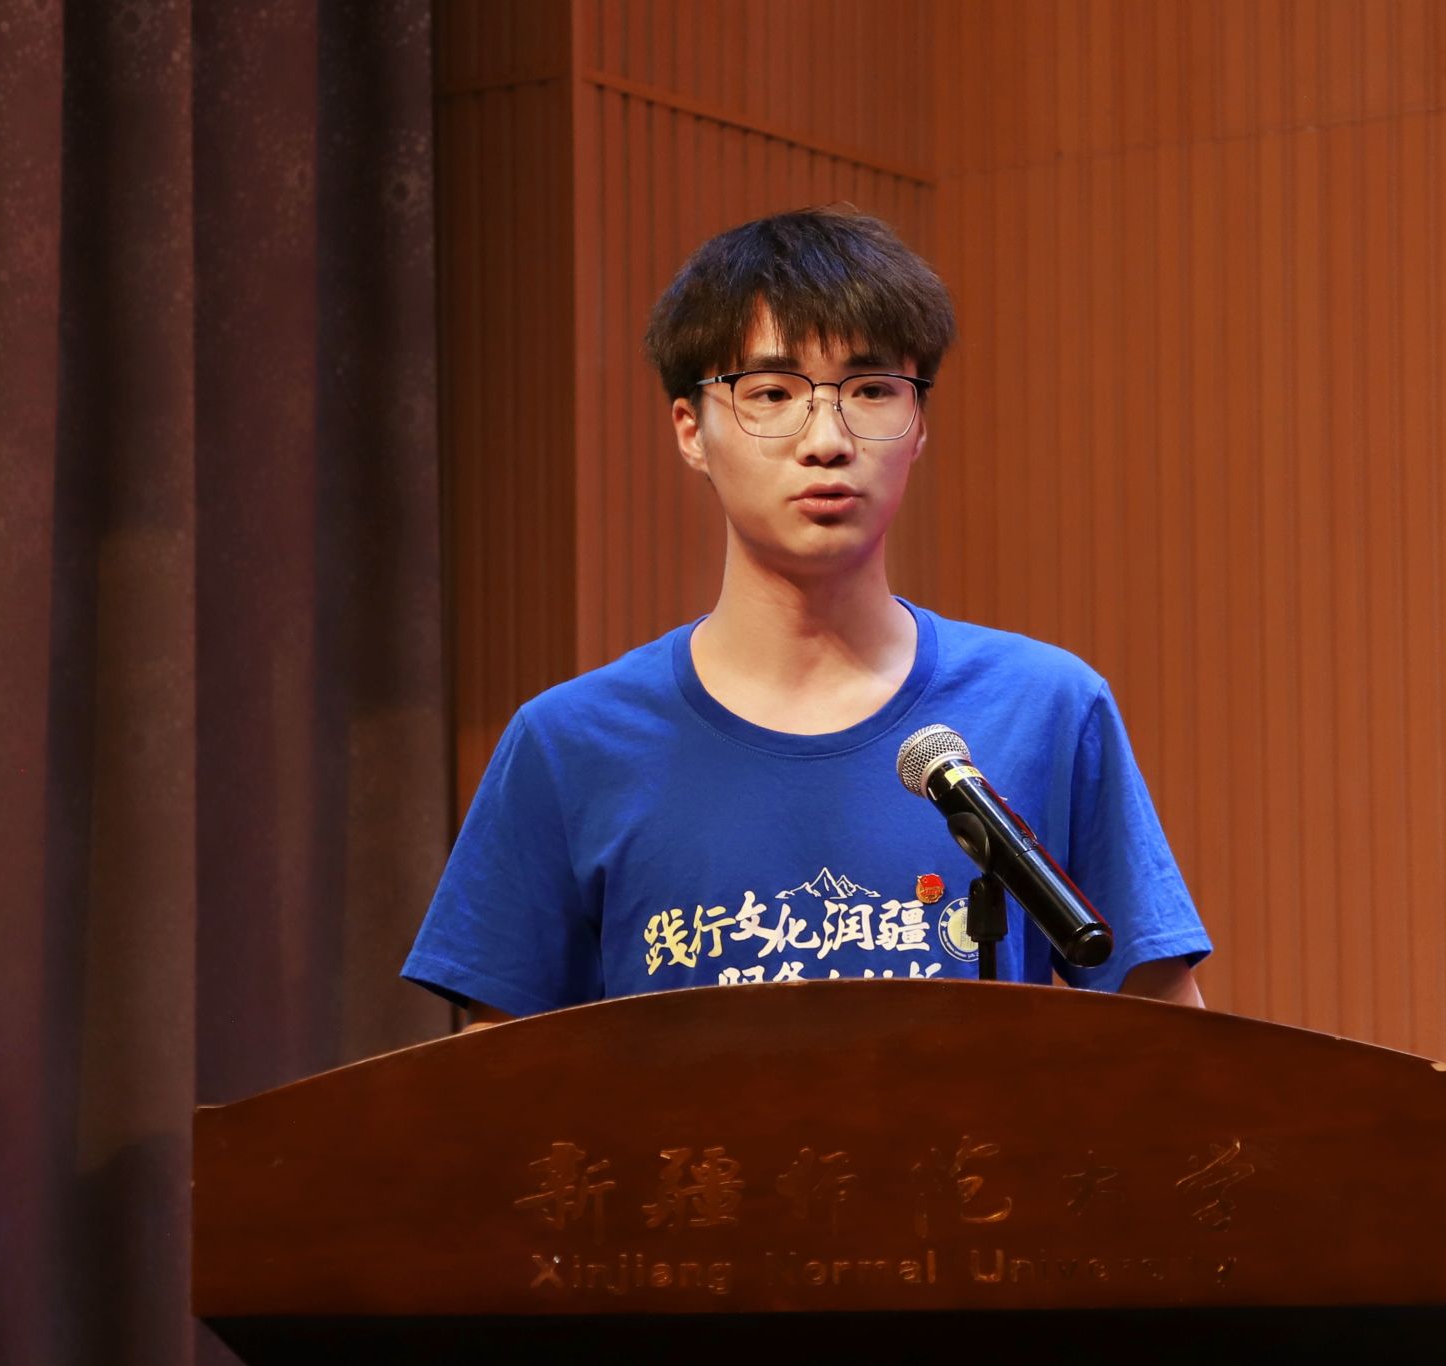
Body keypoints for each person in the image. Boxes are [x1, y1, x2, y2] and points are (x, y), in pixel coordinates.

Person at [403, 207, 1210, 1026]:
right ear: (691, 430)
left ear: (918, 426)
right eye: (772, 393)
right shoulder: (570, 745)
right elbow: (500, 1081)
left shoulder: (1044, 708)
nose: (827, 440)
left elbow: (1172, 1050)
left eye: (872, 391)